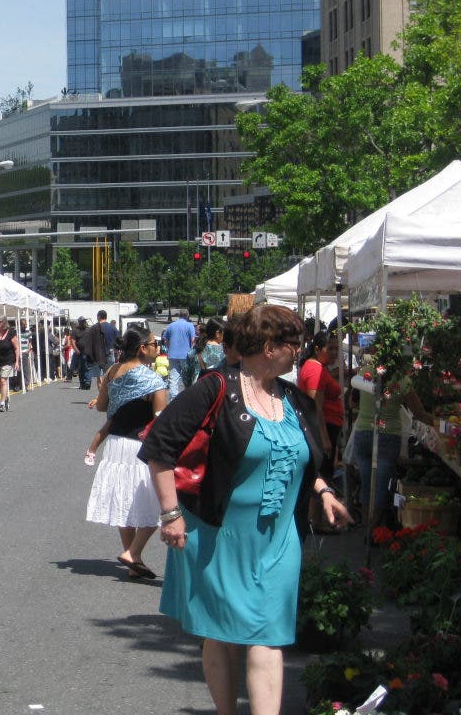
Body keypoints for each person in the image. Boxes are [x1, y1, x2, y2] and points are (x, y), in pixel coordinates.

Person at [140, 305, 352, 715]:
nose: (300, 351)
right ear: (270, 347)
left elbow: (299, 458)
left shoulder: (292, 398)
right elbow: (159, 447)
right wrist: (170, 514)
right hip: (220, 533)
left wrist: (322, 490)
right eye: (294, 344)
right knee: (220, 633)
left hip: (279, 538)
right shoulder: (214, 387)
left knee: (269, 633)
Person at [84, 330, 167, 580]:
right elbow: (159, 420)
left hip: (116, 444)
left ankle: (133, 560)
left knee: (124, 500)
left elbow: (102, 407)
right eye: (155, 344)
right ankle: (133, 553)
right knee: (157, 504)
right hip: (140, 446)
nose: (158, 348)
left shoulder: (112, 371)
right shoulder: (153, 380)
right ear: (142, 348)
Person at [350, 353, 434, 530]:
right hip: (388, 435)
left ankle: (367, 526)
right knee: (381, 483)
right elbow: (419, 413)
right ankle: (373, 529)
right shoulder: (401, 380)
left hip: (364, 431)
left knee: (366, 482)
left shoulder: (363, 372)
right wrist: (441, 423)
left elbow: (351, 402)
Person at [297, 332, 343, 481]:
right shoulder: (315, 369)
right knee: (321, 477)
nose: (334, 353)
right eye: (330, 349)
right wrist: (324, 438)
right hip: (324, 429)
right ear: (317, 349)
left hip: (328, 427)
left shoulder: (318, 367)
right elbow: (315, 406)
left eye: (336, 349)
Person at [162, 310, 196, 401]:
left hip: (172, 354)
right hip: (186, 356)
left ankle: (173, 400)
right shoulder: (190, 326)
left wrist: (170, 348)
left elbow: (165, 340)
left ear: (179, 315)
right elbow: (193, 340)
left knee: (173, 379)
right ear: (188, 316)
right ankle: (187, 399)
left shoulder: (171, 325)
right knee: (187, 378)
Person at [185, 318, 226, 386]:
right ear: (218, 333)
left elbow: (186, 374)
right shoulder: (226, 352)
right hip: (219, 392)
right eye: (224, 333)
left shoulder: (195, 350)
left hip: (197, 391)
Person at [83, 310, 115, 386]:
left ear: (99, 317)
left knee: (99, 378)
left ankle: (101, 396)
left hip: (97, 355)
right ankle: (109, 395)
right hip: (110, 354)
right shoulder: (112, 328)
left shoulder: (93, 328)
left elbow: (89, 342)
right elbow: (119, 340)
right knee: (109, 376)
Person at [72, 317, 91, 389]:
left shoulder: (88, 329)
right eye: (83, 321)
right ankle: (82, 383)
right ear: (79, 322)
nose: (84, 322)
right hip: (79, 352)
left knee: (87, 367)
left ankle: (88, 382)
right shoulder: (75, 330)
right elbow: (73, 341)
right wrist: (76, 349)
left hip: (88, 352)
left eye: (85, 321)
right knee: (81, 368)